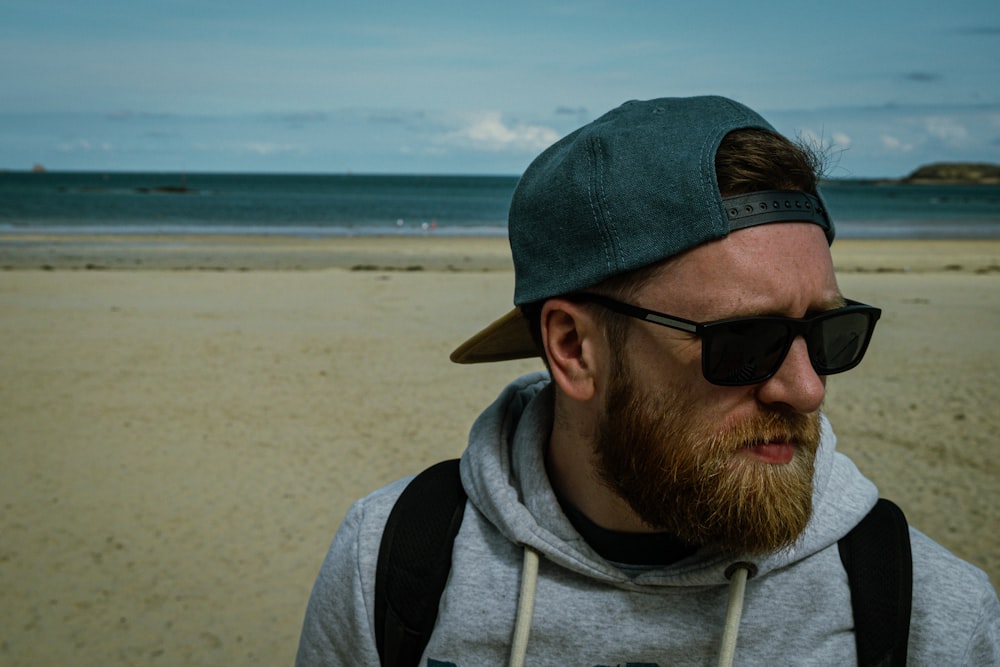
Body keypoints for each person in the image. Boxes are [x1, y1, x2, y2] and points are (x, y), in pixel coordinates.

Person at [296, 96, 999, 665]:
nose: (806, 388)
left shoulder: (928, 614)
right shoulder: (392, 561)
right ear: (574, 348)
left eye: (827, 334)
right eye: (744, 341)